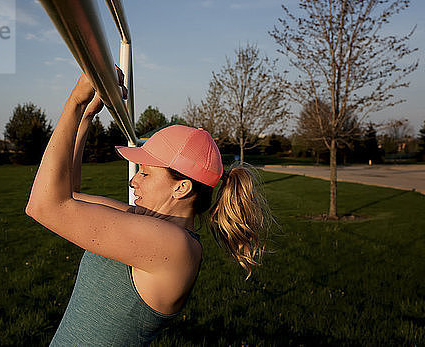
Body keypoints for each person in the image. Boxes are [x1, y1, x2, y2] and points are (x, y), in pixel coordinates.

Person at [25, 69, 272, 346]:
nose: (133, 181)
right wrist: (85, 118)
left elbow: (44, 206)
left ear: (181, 188)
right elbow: (68, 193)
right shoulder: (139, 220)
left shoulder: (175, 247)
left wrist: (75, 102)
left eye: (145, 173)